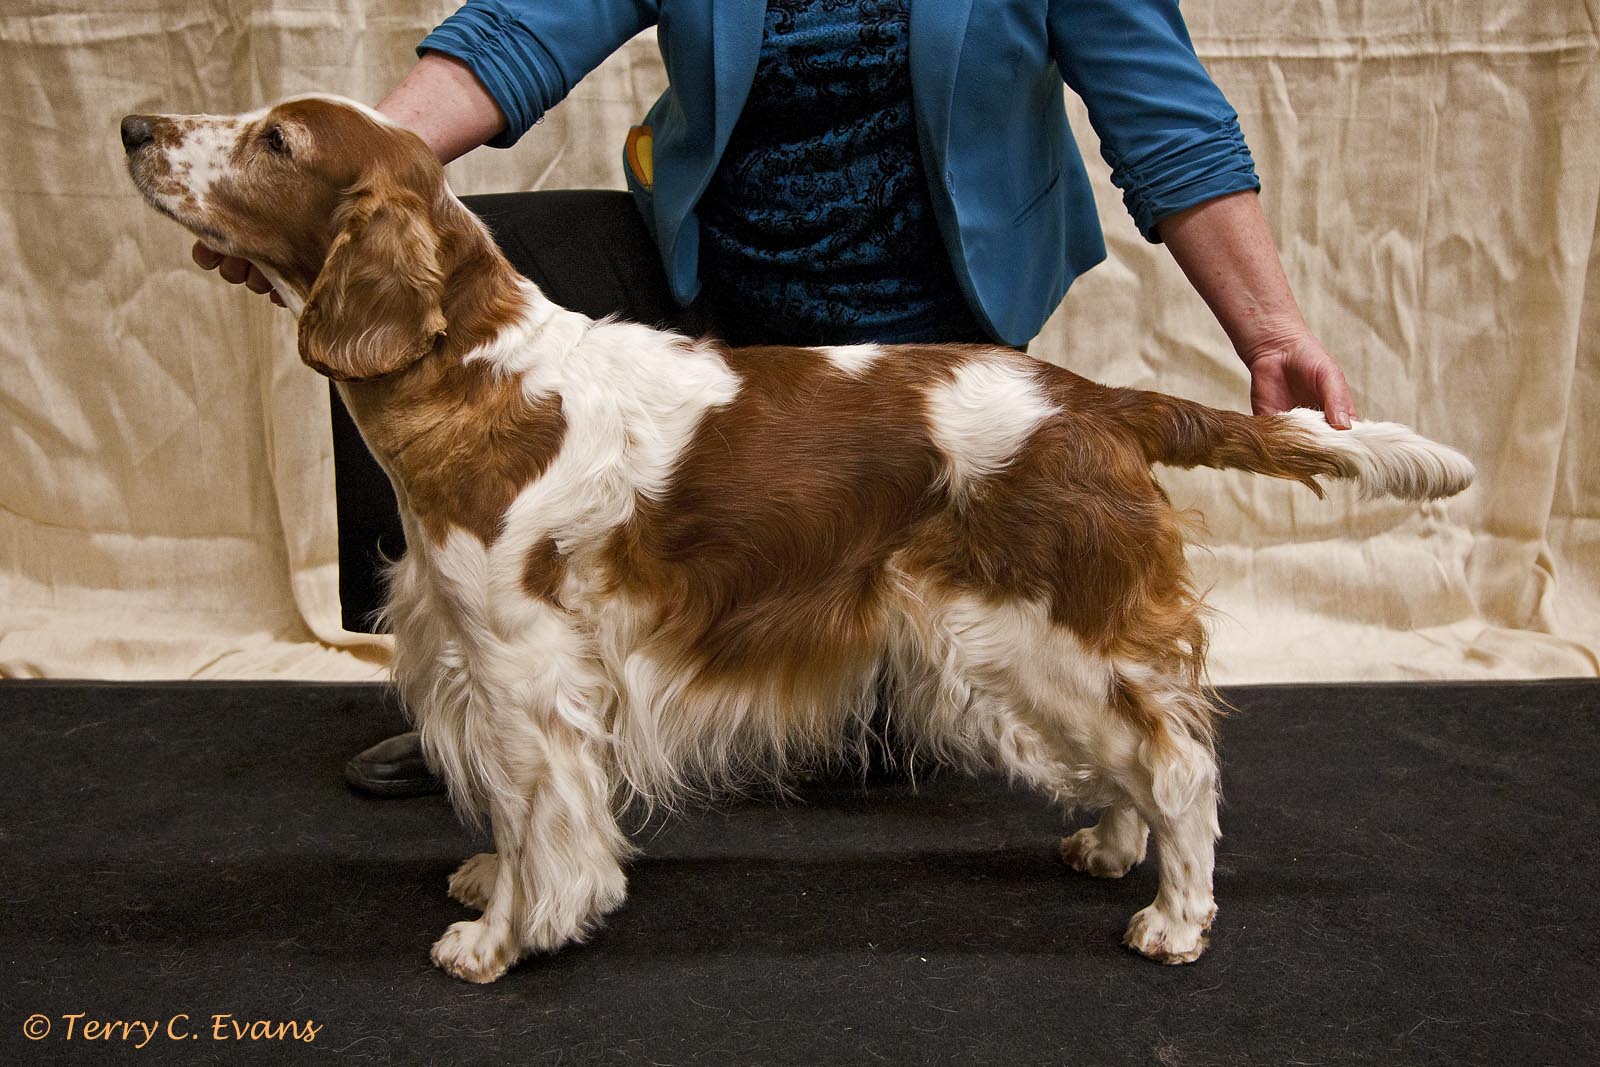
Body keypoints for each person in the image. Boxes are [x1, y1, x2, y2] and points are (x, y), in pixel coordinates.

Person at [197, 0, 1357, 796]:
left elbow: (1166, 118)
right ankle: (485, 683)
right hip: (706, 290)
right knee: (421, 277)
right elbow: (517, 31)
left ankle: (848, 672)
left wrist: (1271, 330)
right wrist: (321, 188)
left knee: (879, 714)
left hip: (925, 321)